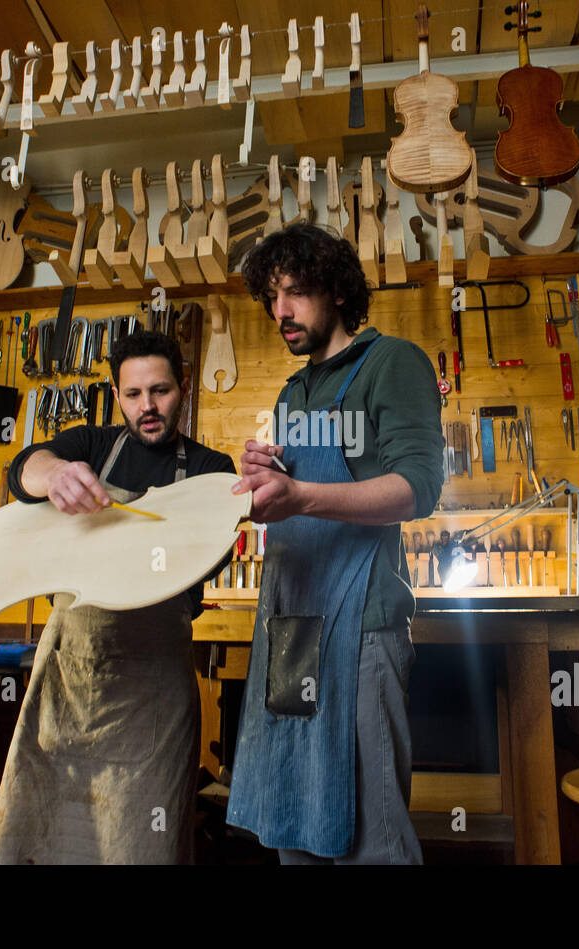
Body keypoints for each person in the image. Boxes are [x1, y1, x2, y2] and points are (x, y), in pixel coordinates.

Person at [225, 223, 445, 864]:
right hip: (291, 630)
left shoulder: (392, 363)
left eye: (294, 292)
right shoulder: (294, 390)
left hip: (362, 628)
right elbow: (292, 499)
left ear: (340, 294)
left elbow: (415, 489)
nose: (281, 312)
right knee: (297, 815)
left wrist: (301, 497)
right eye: (272, 297)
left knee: (369, 832)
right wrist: (266, 482)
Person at [0, 329, 235, 864]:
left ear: (184, 387)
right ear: (116, 394)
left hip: (153, 694)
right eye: (133, 394)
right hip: (70, 678)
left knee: (142, 842)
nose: (147, 407)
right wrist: (54, 475)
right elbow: (20, 469)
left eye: (161, 391)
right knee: (39, 833)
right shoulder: (94, 446)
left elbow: (216, 553)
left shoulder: (213, 471)